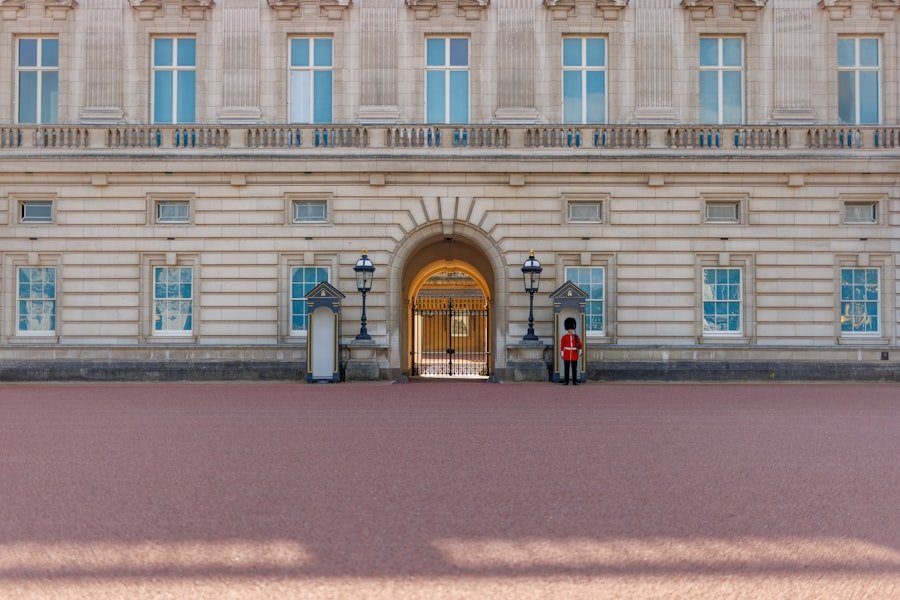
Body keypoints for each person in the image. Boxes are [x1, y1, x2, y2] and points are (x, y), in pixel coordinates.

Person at [560, 317, 583, 386]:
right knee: (566, 369)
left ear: (573, 329)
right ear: (567, 329)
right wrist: (562, 354)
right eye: (569, 329)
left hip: (574, 354)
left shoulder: (576, 337)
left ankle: (574, 381)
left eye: (571, 329)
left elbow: (580, 345)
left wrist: (580, 353)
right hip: (567, 353)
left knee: (574, 369)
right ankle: (566, 381)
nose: (570, 330)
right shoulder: (564, 337)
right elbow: (562, 346)